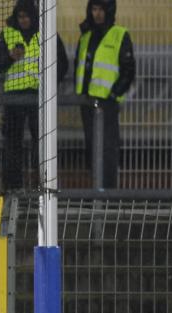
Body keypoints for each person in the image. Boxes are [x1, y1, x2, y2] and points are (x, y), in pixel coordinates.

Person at [0, 0, 68, 190]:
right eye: (20, 16)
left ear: (33, 16)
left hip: (38, 97)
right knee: (12, 144)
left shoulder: (47, 33)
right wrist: (10, 57)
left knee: (40, 144)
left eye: (26, 16)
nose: (23, 20)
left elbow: (62, 63)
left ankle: (41, 187)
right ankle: (13, 189)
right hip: (14, 98)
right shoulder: (8, 34)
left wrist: (50, 86)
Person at [74, 0, 135, 189]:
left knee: (107, 150)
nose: (97, 14)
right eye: (94, 9)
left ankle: (107, 195)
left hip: (106, 103)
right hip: (87, 102)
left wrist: (114, 94)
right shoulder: (86, 36)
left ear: (109, 11)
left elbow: (128, 70)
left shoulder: (119, 35)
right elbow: (80, 65)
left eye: (101, 9)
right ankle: (97, 193)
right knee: (92, 148)